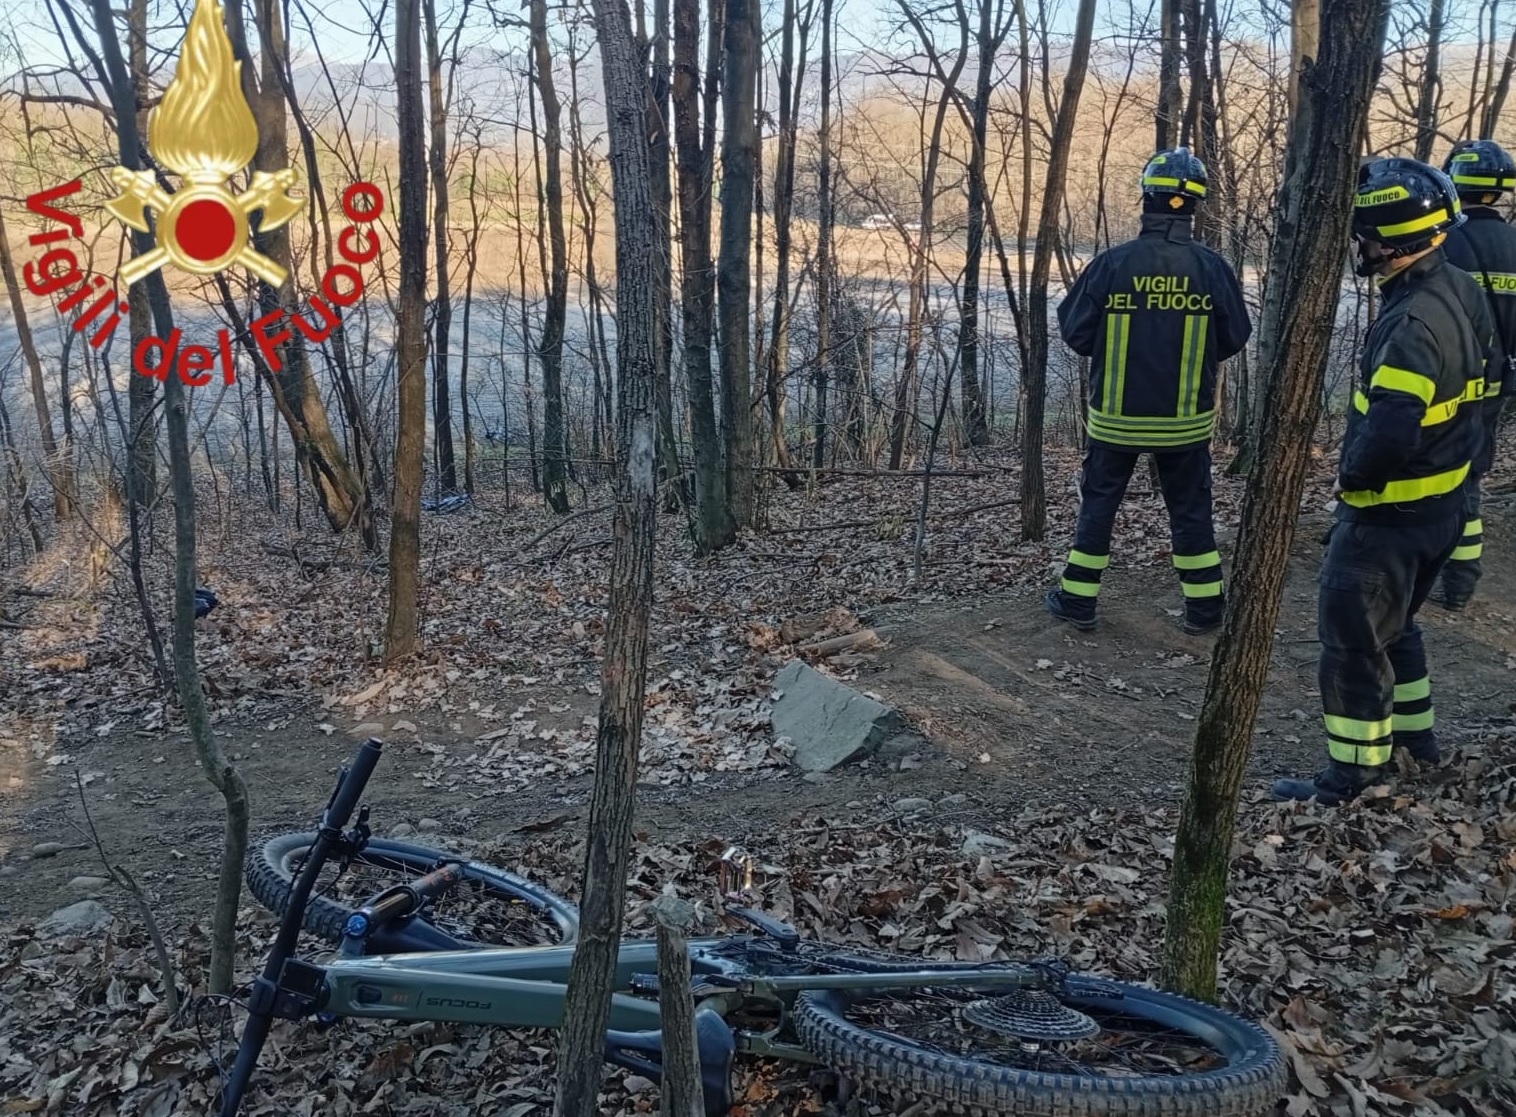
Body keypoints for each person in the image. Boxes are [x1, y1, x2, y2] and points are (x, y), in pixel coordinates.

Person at [1273, 157, 1496, 806]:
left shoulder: (1409, 325)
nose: (1360, 247)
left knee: (1352, 644)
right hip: (1440, 510)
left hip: (1387, 523)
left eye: (1365, 234)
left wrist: (1351, 476)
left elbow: (1392, 430)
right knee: (1399, 631)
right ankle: (1415, 744)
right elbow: (1483, 398)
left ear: (1393, 238)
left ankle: (1353, 776)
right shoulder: (1460, 288)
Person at [1045, 147, 1252, 635]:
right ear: (1197, 206)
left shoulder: (1112, 265)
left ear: (1146, 199)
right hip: (1185, 423)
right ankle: (1204, 609)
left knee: (1099, 506)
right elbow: (1234, 337)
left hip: (1115, 419)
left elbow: (1075, 332)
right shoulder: (1211, 269)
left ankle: (1078, 600)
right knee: (1191, 511)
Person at [1430, 139, 1516, 609]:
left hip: (1447, 384)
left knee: (1435, 474)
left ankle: (1432, 567)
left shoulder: (1445, 243)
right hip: (1497, 386)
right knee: (1471, 479)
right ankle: (1461, 583)